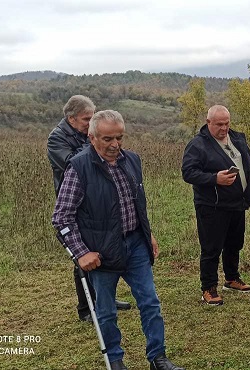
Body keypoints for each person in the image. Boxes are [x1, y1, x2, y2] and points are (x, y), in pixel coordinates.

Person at [52, 110, 183, 370]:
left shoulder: (132, 160)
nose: (115, 145)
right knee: (107, 311)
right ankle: (115, 360)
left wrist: (148, 234)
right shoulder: (78, 168)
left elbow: (136, 204)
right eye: (107, 139)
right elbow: (61, 217)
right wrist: (81, 253)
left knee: (150, 302)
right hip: (101, 252)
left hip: (135, 245)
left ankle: (158, 358)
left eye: (119, 138)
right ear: (92, 138)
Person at [46, 95, 131, 322]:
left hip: (97, 199)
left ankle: (105, 299)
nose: (89, 122)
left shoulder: (85, 135)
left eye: (93, 117)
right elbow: (76, 163)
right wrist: (93, 142)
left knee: (102, 249)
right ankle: (86, 308)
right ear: (71, 118)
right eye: (86, 119)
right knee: (82, 253)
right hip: (76, 203)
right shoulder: (56, 139)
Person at [181, 105, 250, 306]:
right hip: (212, 206)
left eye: (227, 123)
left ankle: (232, 279)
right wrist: (215, 178)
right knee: (211, 247)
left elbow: (249, 164)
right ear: (208, 123)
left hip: (237, 203)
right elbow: (188, 172)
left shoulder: (238, 138)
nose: (224, 128)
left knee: (234, 243)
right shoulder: (198, 145)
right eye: (219, 124)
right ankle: (208, 288)